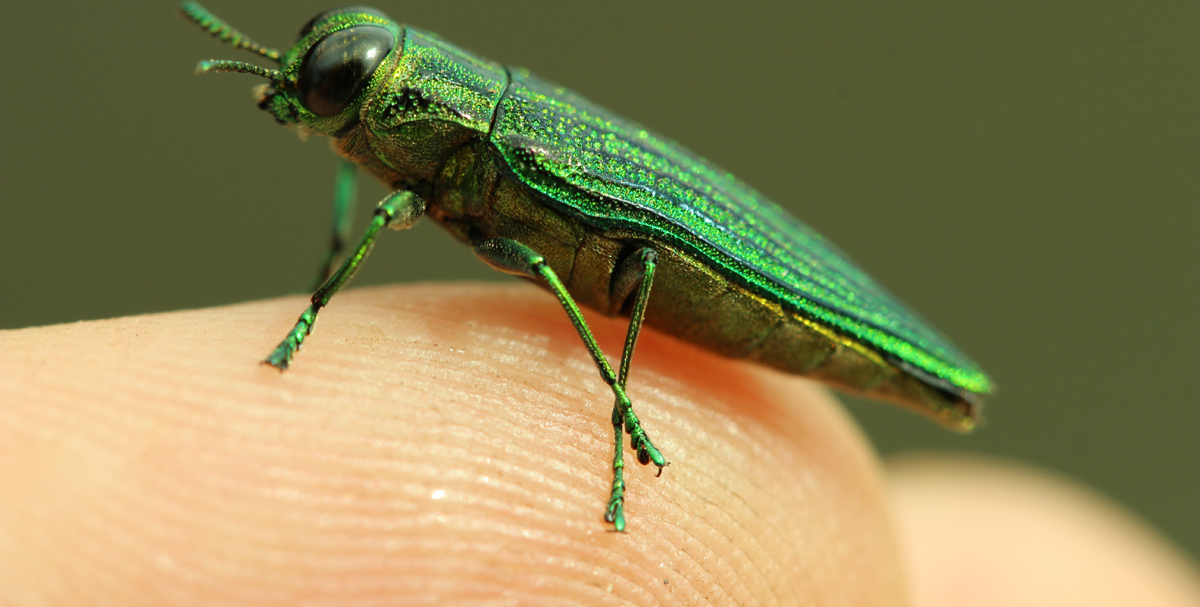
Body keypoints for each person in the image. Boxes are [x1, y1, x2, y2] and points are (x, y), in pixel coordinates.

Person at [2, 283, 1197, 605]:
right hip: (643, 256)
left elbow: (587, 280)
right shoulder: (420, 153)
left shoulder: (469, 156)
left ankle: (621, 408)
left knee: (592, 270)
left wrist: (315, 313)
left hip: (685, 259)